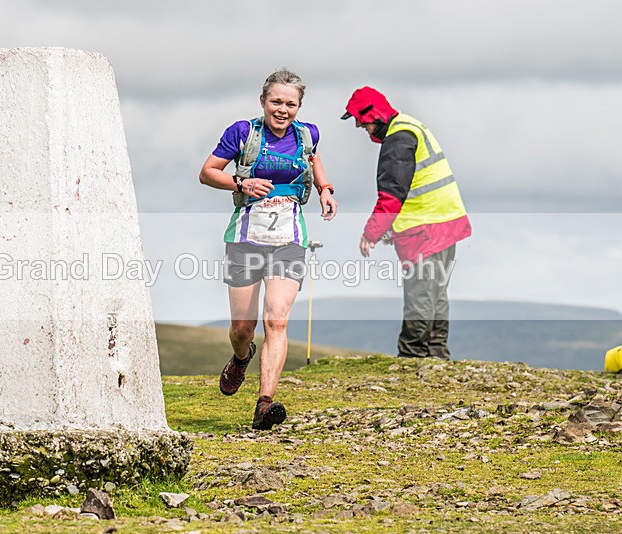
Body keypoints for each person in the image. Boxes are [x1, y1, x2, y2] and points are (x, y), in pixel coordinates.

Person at [200, 68, 337, 430]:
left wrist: (324, 188)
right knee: (243, 328)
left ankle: (265, 404)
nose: (282, 110)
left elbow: (313, 157)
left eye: (290, 104)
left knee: (276, 318)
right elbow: (208, 171)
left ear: (299, 106)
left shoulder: (308, 135)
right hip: (245, 238)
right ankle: (241, 357)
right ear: (263, 101)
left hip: (289, 240)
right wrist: (241, 181)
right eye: (276, 102)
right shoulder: (243, 133)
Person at [341, 87, 471, 360]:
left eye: (360, 119)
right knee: (436, 292)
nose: (358, 125)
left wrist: (372, 232)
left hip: (423, 228)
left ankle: (412, 357)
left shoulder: (398, 139)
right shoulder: (410, 126)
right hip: (445, 221)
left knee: (420, 293)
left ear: (373, 114)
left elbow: (392, 191)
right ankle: (436, 356)